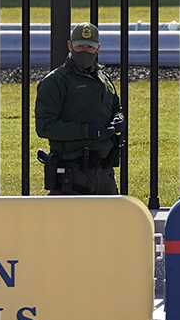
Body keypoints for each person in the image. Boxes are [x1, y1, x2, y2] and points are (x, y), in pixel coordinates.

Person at [33, 22, 124, 194]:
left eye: (89, 47)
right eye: (79, 46)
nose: (84, 51)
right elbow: (44, 126)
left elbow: (115, 107)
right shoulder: (55, 81)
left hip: (104, 173)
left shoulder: (103, 79)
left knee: (110, 221)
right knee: (69, 221)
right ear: (70, 46)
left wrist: (119, 120)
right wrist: (87, 132)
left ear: (98, 48)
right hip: (72, 172)